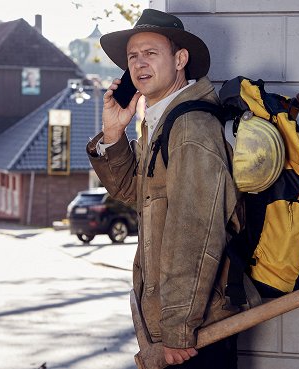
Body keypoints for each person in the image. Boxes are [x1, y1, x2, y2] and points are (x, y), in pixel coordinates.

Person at [86, 9, 240, 368]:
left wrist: (177, 332)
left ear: (180, 59)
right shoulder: (160, 121)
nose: (139, 64)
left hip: (196, 332)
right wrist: (113, 133)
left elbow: (195, 234)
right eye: (132, 56)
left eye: (151, 53)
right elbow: (132, 193)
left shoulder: (191, 128)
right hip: (174, 327)